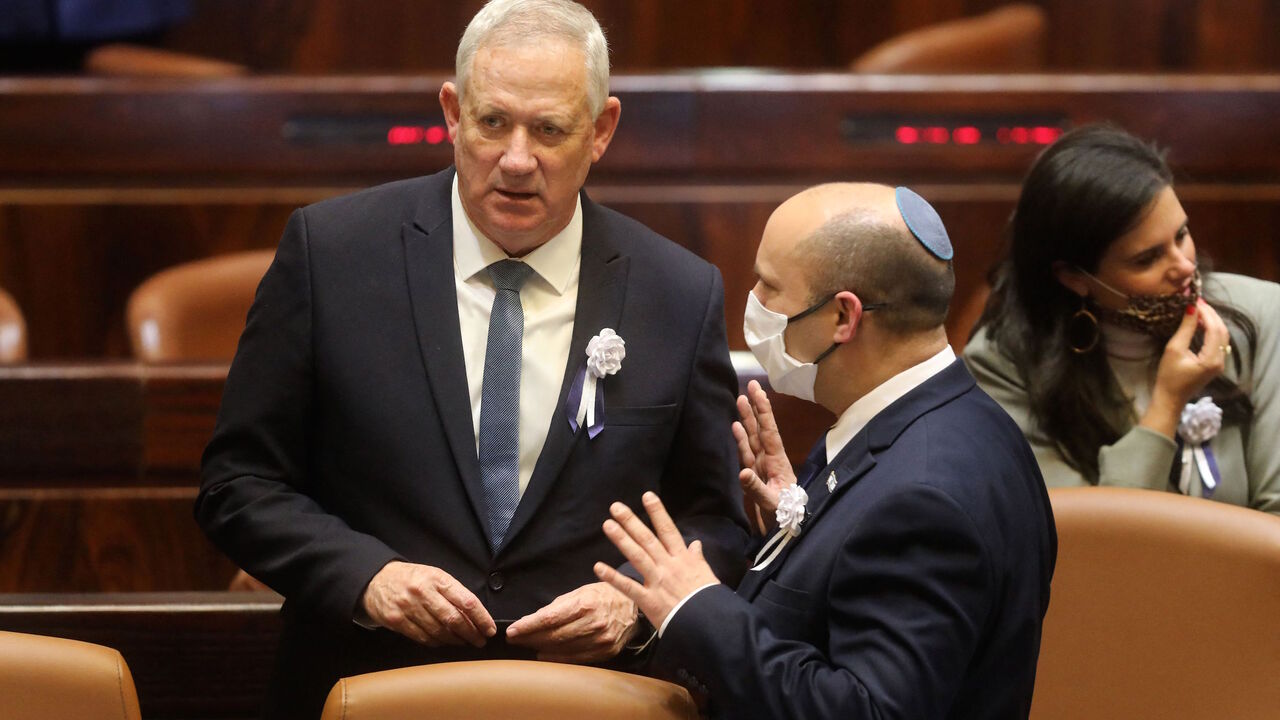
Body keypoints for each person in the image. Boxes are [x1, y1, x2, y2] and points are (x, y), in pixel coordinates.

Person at [195, 1, 747, 717]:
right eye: (493, 123)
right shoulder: (330, 254)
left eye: (549, 129)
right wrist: (369, 578)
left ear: (602, 130)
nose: (517, 160)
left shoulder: (677, 291)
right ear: (453, 113)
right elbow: (237, 485)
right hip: (367, 689)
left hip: (586, 699)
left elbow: (719, 522)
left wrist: (637, 602)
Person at [595, 183, 1057, 719]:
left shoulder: (921, 501)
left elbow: (866, 711)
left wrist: (698, 607)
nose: (755, 303)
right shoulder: (963, 420)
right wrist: (802, 528)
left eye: (770, 287)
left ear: (844, 317)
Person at [963, 125, 1280, 513]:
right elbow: (1089, 540)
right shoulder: (1003, 363)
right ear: (1075, 278)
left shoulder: (1264, 313)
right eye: (1147, 258)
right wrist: (1167, 403)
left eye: (1181, 235)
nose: (1184, 266)